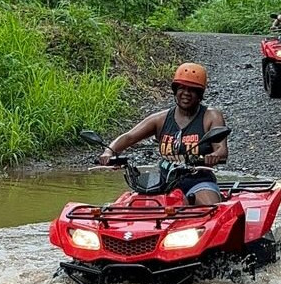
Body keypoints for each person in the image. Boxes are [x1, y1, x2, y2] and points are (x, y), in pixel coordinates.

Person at [96, 62, 228, 205]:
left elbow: (221, 148)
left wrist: (214, 156)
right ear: (175, 90)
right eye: (181, 88)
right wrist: (109, 153)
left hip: (198, 181)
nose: (186, 93)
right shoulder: (160, 119)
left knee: (211, 207)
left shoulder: (211, 116)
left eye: (192, 90)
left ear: (200, 94)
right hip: (163, 182)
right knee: (129, 205)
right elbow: (129, 137)